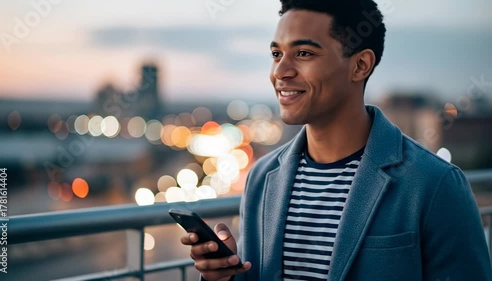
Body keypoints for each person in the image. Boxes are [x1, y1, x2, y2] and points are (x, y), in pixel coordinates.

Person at [181, 0, 492, 280]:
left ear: (360, 65)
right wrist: (224, 277)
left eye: (303, 53)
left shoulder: (435, 184)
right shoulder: (262, 178)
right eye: (277, 54)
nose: (280, 71)